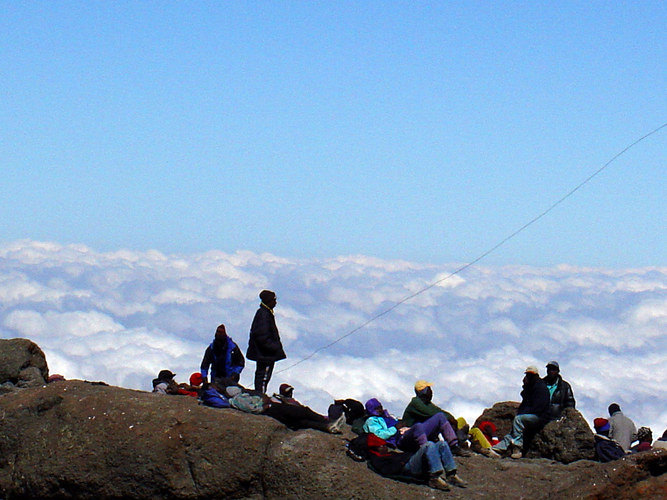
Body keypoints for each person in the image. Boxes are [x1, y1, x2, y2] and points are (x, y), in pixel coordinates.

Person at [363, 398, 466, 489]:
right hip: (401, 439)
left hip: (406, 433)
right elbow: (378, 435)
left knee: (441, 439)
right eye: (377, 408)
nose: (380, 410)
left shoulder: (386, 416)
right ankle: (432, 469)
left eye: (380, 407)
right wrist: (395, 428)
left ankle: (451, 472)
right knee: (423, 436)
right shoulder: (372, 421)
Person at [491, 366, 551, 459]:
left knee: (518, 420)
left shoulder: (540, 388)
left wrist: (523, 414)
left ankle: (517, 448)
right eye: (527, 374)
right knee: (514, 431)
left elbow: (538, 407)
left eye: (530, 375)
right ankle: (497, 449)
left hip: (539, 417)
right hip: (532, 415)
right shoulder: (531, 388)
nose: (528, 377)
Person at [401, 380, 471, 456]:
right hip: (411, 436)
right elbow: (432, 413)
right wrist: (449, 418)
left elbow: (438, 410)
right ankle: (454, 445)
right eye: (429, 390)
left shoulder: (426, 403)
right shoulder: (416, 403)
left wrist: (451, 418)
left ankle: (458, 439)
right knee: (440, 417)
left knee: (446, 418)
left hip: (419, 434)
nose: (431, 392)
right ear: (423, 392)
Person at [246, 290, 286, 393]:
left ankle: (260, 395)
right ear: (268, 301)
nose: (275, 302)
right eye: (274, 300)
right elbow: (262, 336)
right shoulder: (264, 315)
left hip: (264, 353)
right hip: (265, 355)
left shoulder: (265, 313)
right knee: (263, 378)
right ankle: (260, 397)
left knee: (261, 376)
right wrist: (275, 348)